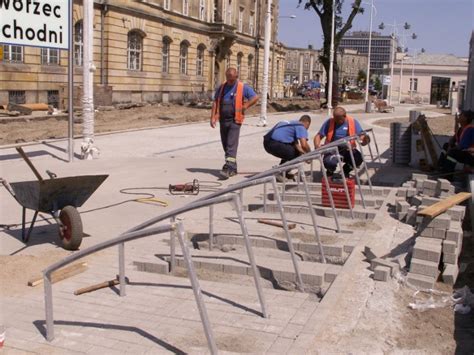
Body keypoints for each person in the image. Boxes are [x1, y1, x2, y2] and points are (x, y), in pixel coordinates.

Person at [211, 67, 259, 179]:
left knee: (231, 144)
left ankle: (228, 167)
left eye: (232, 80)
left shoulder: (242, 87)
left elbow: (255, 97)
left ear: (236, 77)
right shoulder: (222, 87)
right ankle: (232, 167)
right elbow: (216, 102)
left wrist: (246, 105)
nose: (230, 82)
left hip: (235, 120)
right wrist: (213, 116)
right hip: (223, 120)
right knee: (225, 144)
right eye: (228, 79)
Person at [313, 106, 369, 177]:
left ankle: (346, 171)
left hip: (348, 149)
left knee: (358, 159)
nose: (336, 121)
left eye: (338, 119)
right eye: (335, 118)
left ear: (344, 116)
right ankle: (330, 171)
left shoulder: (352, 122)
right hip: (332, 150)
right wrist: (317, 146)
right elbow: (318, 136)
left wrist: (364, 140)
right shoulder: (329, 122)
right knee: (329, 162)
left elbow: (362, 136)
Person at [438, 110, 474, 175]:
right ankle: (440, 167)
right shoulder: (461, 129)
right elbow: (453, 140)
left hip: (471, 156)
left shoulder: (470, 130)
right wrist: (450, 145)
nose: (459, 116)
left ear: (465, 118)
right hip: (466, 153)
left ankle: (448, 174)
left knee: (453, 152)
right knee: (446, 145)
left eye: (461, 115)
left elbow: (462, 146)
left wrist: (450, 150)